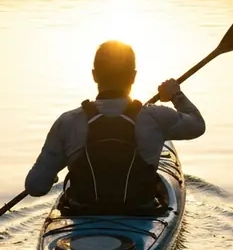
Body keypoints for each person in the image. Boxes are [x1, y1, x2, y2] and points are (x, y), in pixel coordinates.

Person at [25, 40, 206, 214]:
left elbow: (35, 186)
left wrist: (54, 174)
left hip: (82, 213)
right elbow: (197, 125)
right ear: (133, 76)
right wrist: (176, 95)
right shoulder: (155, 118)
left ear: (94, 75)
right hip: (140, 213)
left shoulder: (68, 121)